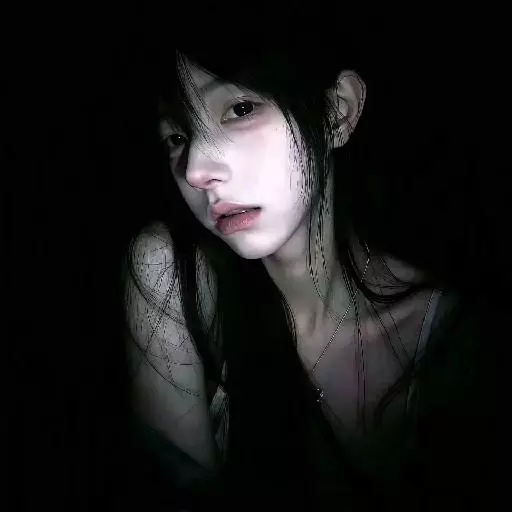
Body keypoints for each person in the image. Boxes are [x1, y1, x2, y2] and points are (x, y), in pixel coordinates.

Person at [115, 15, 499, 512]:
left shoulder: (458, 340)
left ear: (338, 112)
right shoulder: (174, 277)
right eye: (177, 137)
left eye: (240, 108)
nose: (196, 169)